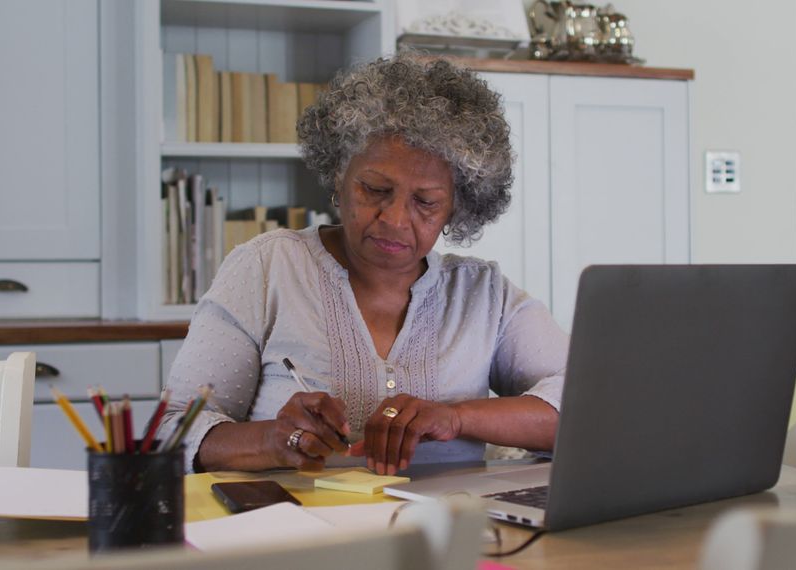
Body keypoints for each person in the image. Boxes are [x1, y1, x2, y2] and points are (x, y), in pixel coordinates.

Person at [158, 54, 568, 476]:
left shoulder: (482, 295)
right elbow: (171, 430)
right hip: (297, 532)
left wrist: (456, 417)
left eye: (425, 202)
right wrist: (271, 441)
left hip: (450, 535)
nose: (393, 219)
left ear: (457, 207)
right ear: (339, 175)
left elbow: (589, 404)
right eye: (374, 189)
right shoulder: (267, 268)